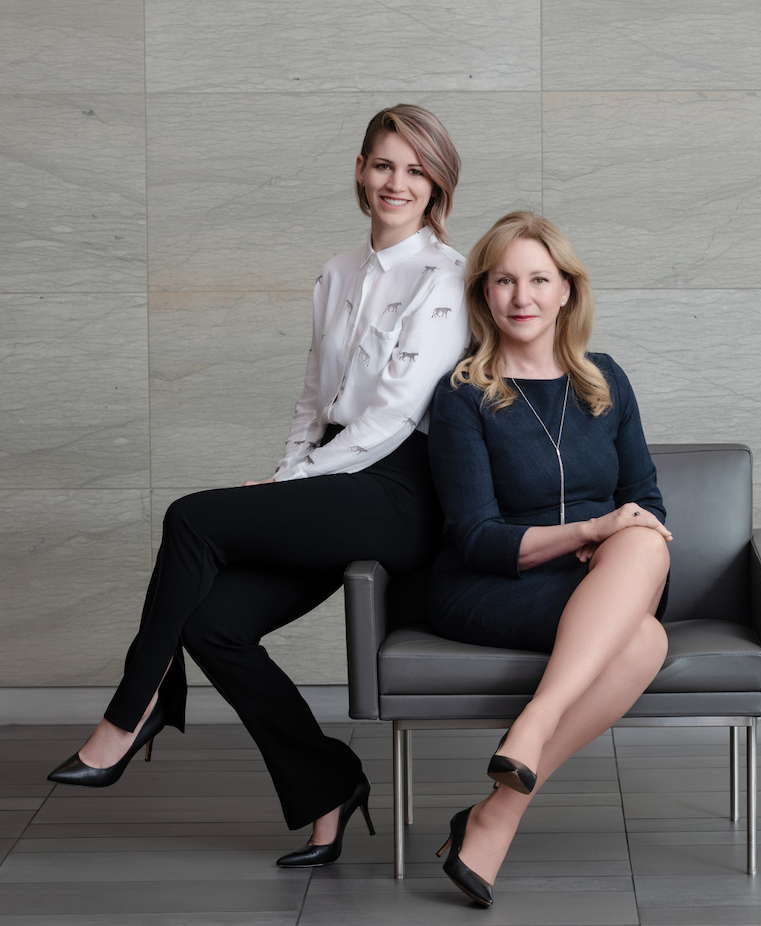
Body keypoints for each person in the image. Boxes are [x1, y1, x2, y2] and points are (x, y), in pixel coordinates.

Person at [47, 104, 470, 869]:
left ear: (438, 183)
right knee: (214, 627)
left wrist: (290, 485)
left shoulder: (448, 278)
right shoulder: (337, 272)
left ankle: (129, 712)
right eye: (383, 164)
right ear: (358, 170)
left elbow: (392, 418)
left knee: (192, 518)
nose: (396, 182)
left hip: (398, 491)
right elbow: (315, 397)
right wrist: (286, 475)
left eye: (415, 169)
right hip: (335, 477)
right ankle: (328, 786)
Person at [427, 211, 672, 906]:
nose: (522, 297)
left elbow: (645, 499)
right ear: (483, 294)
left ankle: (499, 806)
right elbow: (475, 535)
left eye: (539, 279)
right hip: (492, 583)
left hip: (601, 577)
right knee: (644, 635)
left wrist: (612, 538)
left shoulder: (607, 381)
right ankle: (517, 763)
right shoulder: (463, 395)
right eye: (504, 280)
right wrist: (589, 531)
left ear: (567, 290)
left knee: (646, 538)